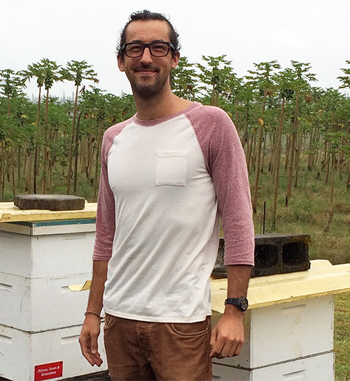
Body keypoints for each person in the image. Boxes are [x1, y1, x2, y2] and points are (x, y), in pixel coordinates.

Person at [78, 10, 255, 380]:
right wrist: (93, 312)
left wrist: (235, 309)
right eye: (135, 48)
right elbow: (106, 233)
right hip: (120, 318)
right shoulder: (114, 138)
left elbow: (238, 221)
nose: (146, 57)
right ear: (121, 60)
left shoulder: (211, 124)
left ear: (174, 58)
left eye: (158, 47)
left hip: (180, 322)